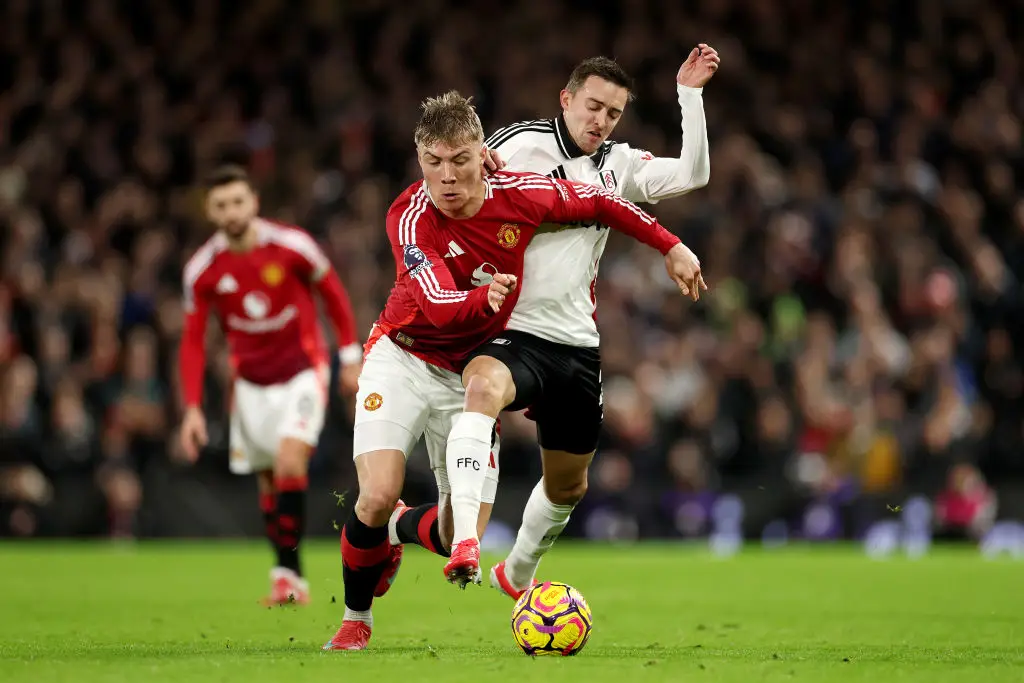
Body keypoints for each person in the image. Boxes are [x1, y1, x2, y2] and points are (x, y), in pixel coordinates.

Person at [323, 90, 701, 651]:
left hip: (467, 371)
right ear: (419, 158)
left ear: (483, 153)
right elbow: (435, 303)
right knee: (375, 494)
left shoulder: (520, 194)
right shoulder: (409, 214)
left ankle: (404, 529)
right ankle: (357, 619)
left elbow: (601, 204)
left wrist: (668, 243)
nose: (445, 177)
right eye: (432, 162)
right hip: (401, 356)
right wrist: (485, 299)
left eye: (458, 160)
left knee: (457, 532)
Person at [391, 48, 719, 595]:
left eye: (613, 114)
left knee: (568, 486)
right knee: (482, 389)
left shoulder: (619, 166)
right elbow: (445, 184)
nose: (601, 121)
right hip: (506, 326)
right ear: (566, 99)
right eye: (593, 106)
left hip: (575, 342)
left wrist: (690, 95)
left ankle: (513, 573)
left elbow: (693, 174)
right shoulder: (517, 144)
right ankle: (468, 541)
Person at [178, 165, 363, 606]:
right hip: (249, 384)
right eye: (221, 205)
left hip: (303, 369)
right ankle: (287, 576)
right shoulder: (202, 270)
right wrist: (191, 408)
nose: (231, 212)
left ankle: (289, 574)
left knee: (288, 462)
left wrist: (350, 356)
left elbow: (334, 294)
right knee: (268, 482)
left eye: (238, 201)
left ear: (254, 202)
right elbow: (192, 342)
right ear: (210, 211)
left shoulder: (292, 245)